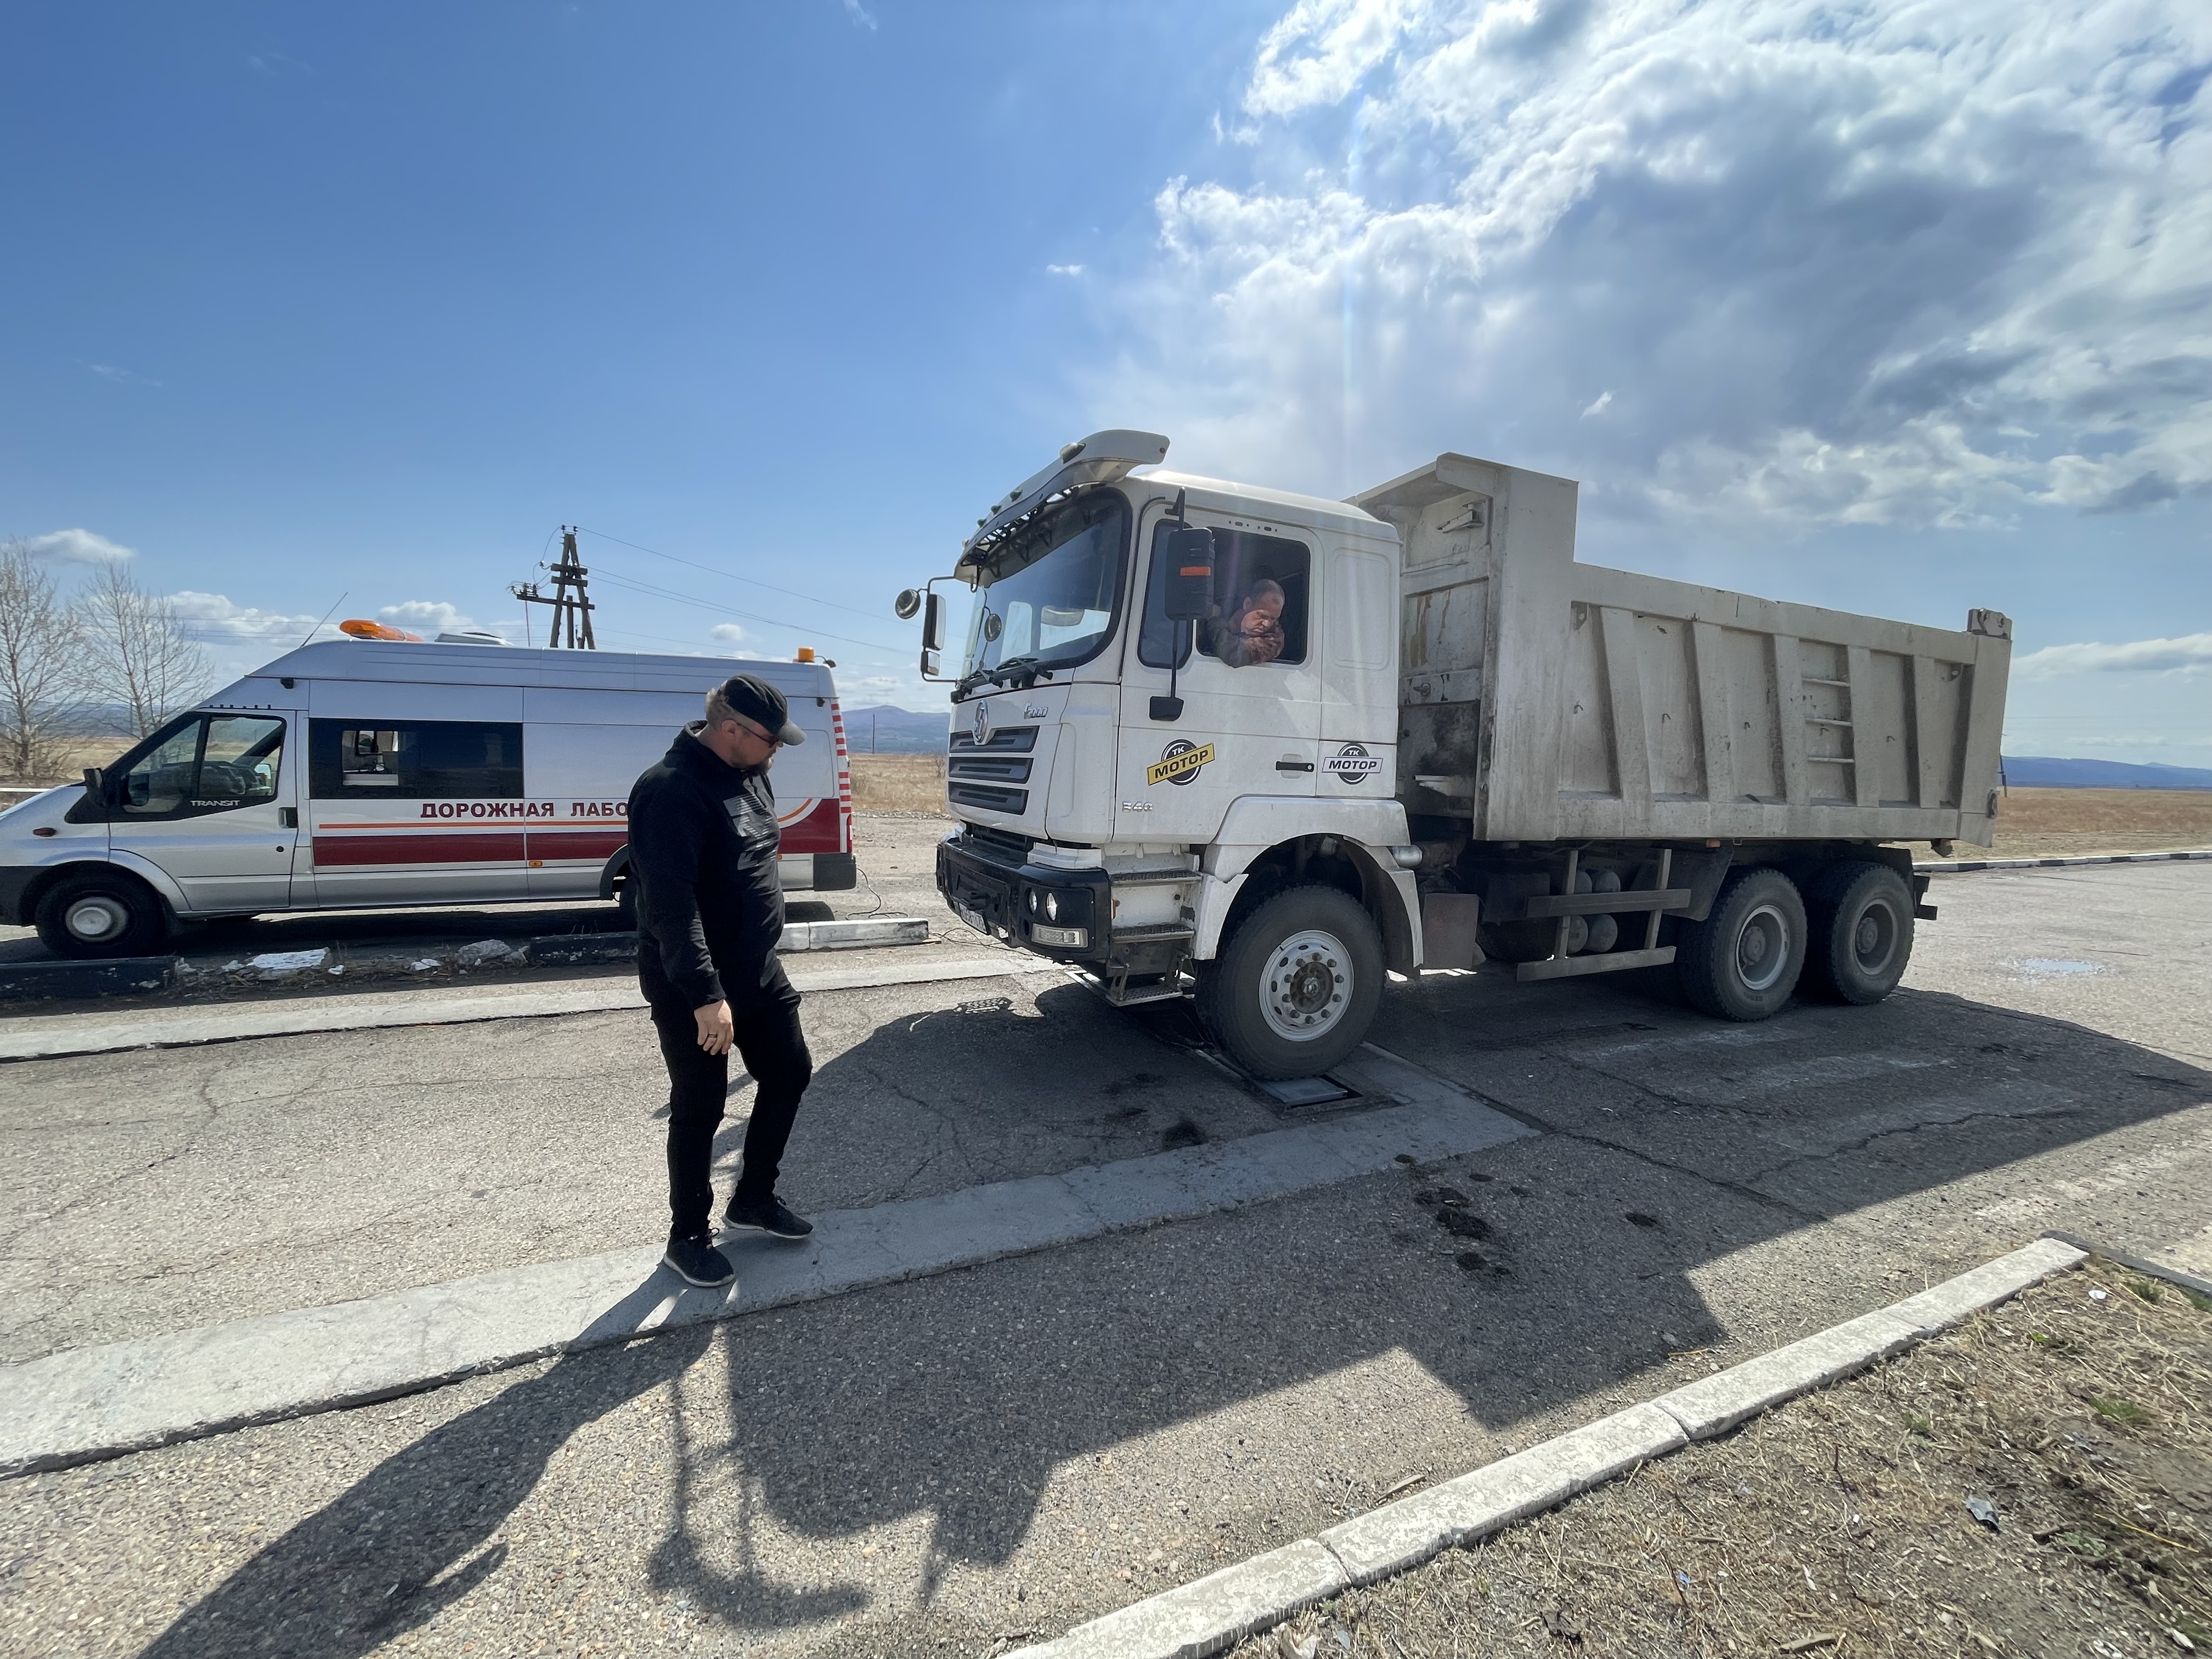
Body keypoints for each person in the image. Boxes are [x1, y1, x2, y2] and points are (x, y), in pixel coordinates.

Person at [628, 674, 817, 1288]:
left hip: (757, 970)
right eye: (771, 739)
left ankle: (754, 1199)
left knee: (790, 1071)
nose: (778, 751)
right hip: (697, 986)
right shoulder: (671, 791)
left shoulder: (750, 772)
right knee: (701, 1108)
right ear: (730, 730)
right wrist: (707, 996)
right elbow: (670, 906)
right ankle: (686, 1237)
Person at [1209, 578, 1288, 667]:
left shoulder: (1274, 638)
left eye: (1273, 619)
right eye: (1263, 616)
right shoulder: (1225, 609)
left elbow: (1235, 655)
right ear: (1247, 604)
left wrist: (1214, 620)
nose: (1267, 624)